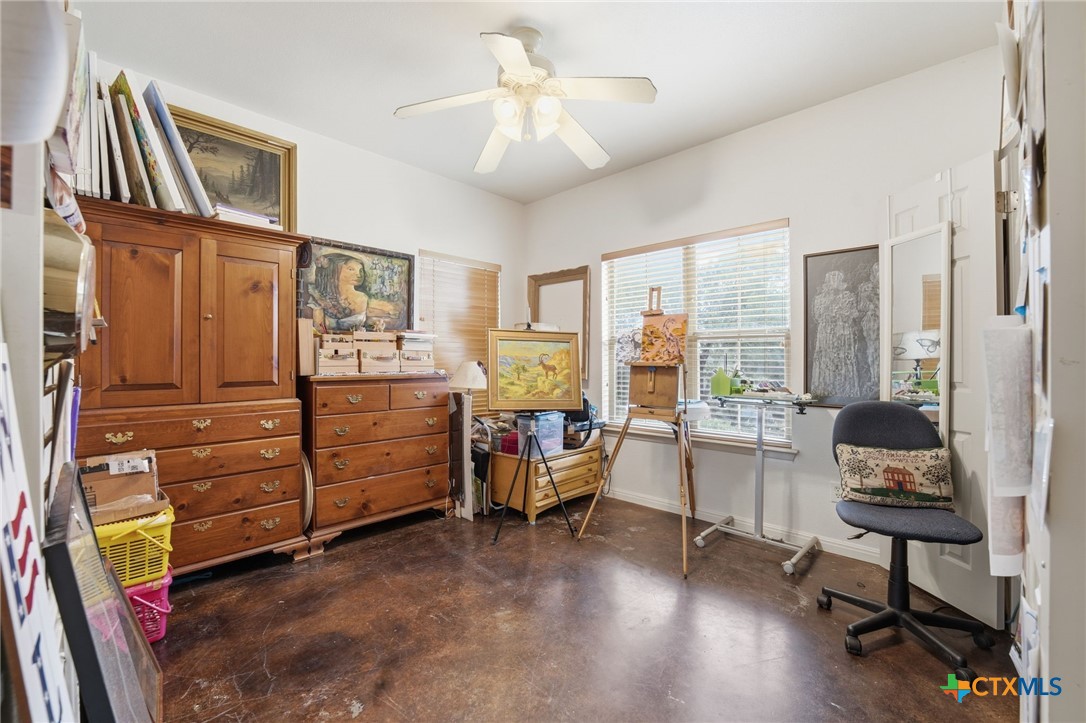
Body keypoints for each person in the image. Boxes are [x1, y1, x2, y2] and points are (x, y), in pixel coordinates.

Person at [811, 269, 862, 398]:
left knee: (843, 358)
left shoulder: (848, 297)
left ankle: (844, 390)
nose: (834, 282)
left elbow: (854, 314)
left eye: (837, 279)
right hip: (826, 334)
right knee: (826, 360)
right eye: (831, 279)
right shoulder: (819, 299)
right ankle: (826, 389)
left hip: (843, 332)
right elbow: (817, 316)